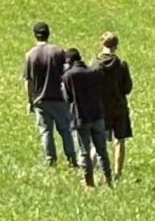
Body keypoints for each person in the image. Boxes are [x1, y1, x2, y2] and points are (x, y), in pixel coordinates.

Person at [23, 22, 79, 168]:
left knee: (46, 131)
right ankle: (72, 159)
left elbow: (28, 81)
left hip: (40, 100)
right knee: (65, 130)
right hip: (60, 98)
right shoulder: (58, 51)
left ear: (34, 35)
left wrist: (30, 100)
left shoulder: (30, 55)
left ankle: (50, 160)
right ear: (48, 34)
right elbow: (67, 74)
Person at [61, 46, 115, 188]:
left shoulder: (69, 76)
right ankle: (108, 179)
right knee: (102, 151)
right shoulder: (94, 71)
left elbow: (67, 98)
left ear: (69, 61)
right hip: (97, 115)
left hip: (81, 117)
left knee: (84, 152)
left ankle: (89, 182)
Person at [95, 33, 134, 180]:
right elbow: (127, 88)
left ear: (101, 44)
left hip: (101, 108)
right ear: (116, 46)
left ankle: (95, 171)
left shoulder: (94, 65)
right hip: (119, 107)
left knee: (98, 141)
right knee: (120, 141)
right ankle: (117, 172)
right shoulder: (121, 65)